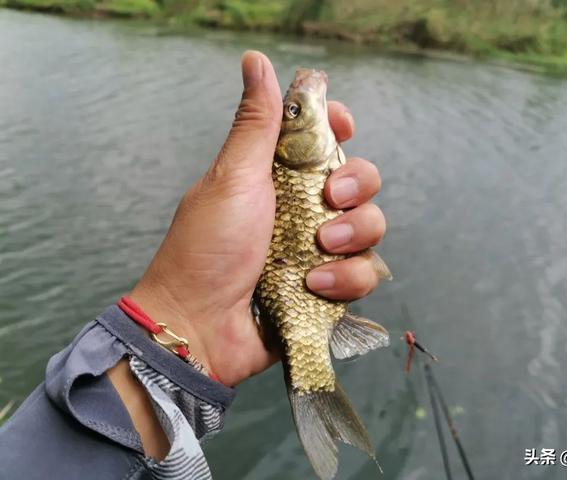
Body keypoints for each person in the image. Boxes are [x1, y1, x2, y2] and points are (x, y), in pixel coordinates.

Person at [0, 51, 387, 479]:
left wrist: (187, 328)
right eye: (294, 111)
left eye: (292, 112)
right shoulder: (288, 162)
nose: (299, 107)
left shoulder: (296, 164)